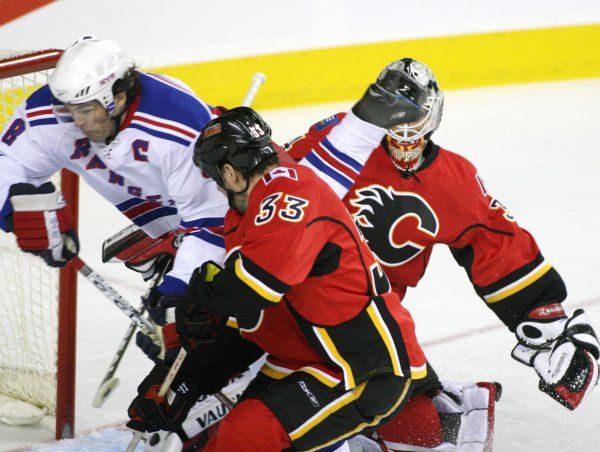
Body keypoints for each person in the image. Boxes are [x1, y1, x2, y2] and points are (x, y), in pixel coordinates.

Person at [284, 58, 600, 448]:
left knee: (423, 433)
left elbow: (497, 244)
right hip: (286, 300)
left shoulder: (454, 180)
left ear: (433, 117)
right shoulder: (340, 141)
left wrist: (548, 329)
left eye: (413, 119)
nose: (402, 132)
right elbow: (273, 186)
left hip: (373, 324)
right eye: (394, 115)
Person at [126, 107, 429, 451]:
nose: (216, 187)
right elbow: (252, 320)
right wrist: (189, 376)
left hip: (362, 368)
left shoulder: (290, 193)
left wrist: (202, 301)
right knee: (229, 440)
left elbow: (254, 288)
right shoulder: (246, 214)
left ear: (231, 173)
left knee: (248, 437)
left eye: (213, 176)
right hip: (302, 361)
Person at [0, 36, 228, 319]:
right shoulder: (54, 112)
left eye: (84, 110)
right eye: (69, 108)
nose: (76, 121)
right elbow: (7, 162)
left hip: (227, 219)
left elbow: (213, 221)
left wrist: (179, 286)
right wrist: (14, 211)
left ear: (117, 99)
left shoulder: (178, 128)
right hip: (169, 216)